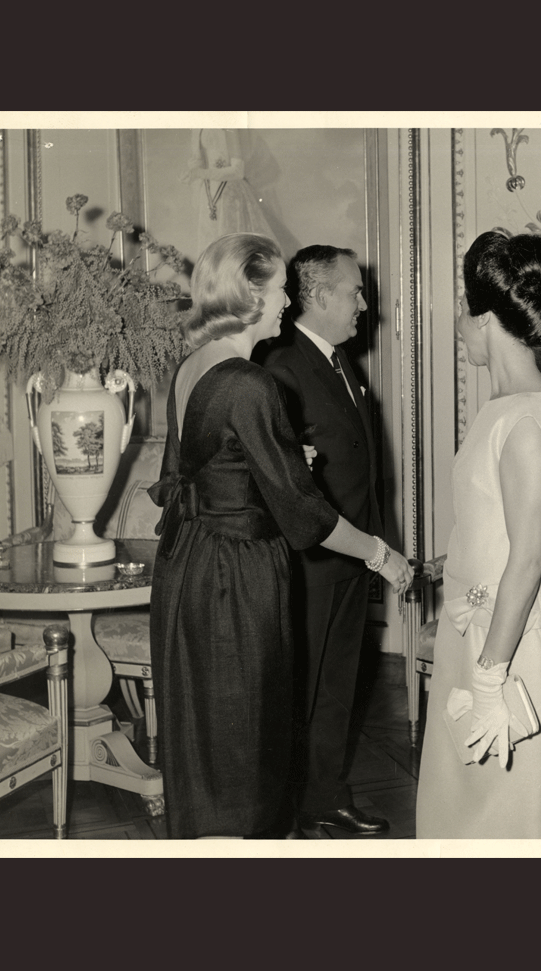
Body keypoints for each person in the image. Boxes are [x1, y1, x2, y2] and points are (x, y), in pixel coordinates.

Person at [148, 233, 412, 840]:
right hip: (236, 577)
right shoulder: (249, 381)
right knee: (250, 743)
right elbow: (304, 515)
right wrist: (382, 556)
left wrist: (283, 459)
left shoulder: (195, 366)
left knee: (210, 741)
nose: (289, 303)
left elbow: (190, 474)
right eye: (279, 290)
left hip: (190, 565)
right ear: (250, 295)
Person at [416, 231, 541, 839]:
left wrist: (491, 679)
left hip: (514, 653)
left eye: (461, 316)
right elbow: (500, 532)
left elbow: (528, 561)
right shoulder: (505, 410)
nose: (457, 329)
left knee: (522, 823)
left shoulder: (525, 419)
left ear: (485, 319)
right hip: (483, 637)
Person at [257, 245, 394, 836]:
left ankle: (325, 797)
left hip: (349, 555)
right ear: (315, 296)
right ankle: (282, 812)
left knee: (337, 687)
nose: (364, 303)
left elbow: (358, 463)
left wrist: (374, 545)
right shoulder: (280, 367)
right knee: (299, 692)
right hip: (309, 561)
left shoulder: (341, 362)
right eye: (354, 291)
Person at [181, 128, 276, 257]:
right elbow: (197, 161)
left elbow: (237, 171)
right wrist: (191, 173)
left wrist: (199, 173)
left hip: (229, 193)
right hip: (207, 194)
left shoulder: (229, 126)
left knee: (233, 249)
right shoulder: (198, 127)